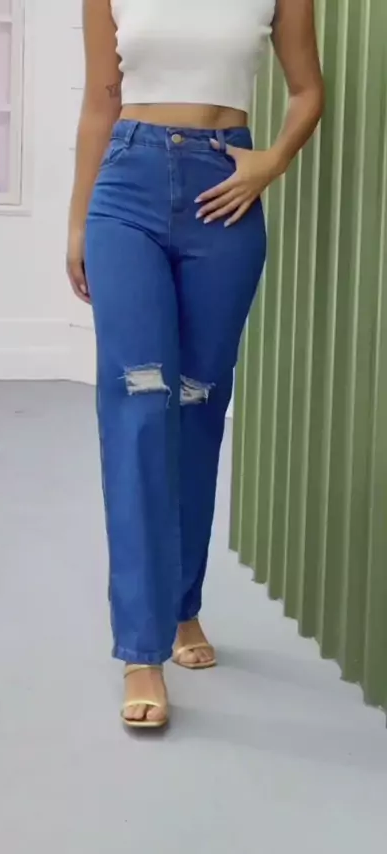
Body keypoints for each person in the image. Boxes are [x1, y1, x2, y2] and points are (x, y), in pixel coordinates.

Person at [67, 0, 324, 729]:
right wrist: (78, 223)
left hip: (225, 193)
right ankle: (141, 649)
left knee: (198, 406)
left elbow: (308, 90)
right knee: (140, 409)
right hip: (128, 189)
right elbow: (100, 101)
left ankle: (182, 606)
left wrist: (272, 161)